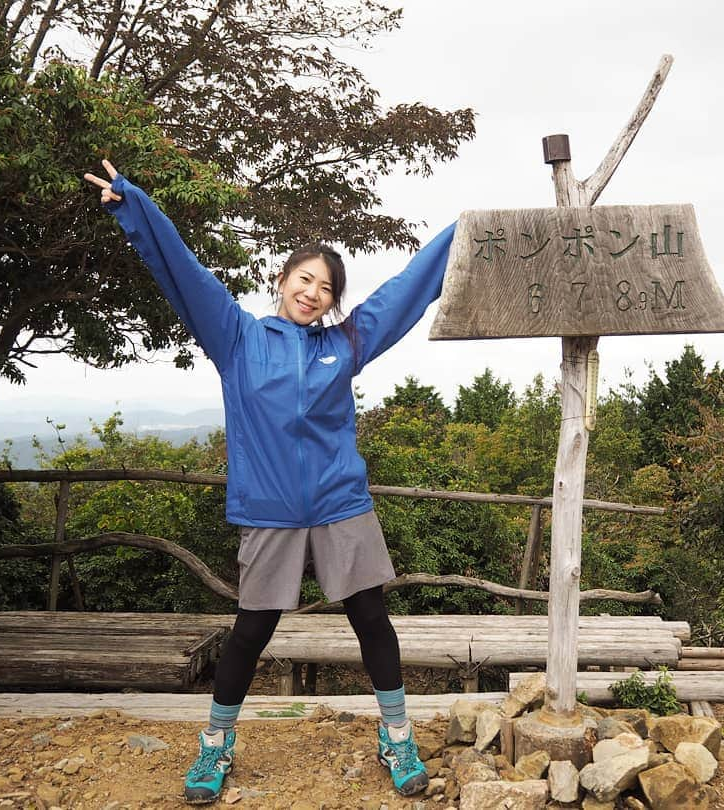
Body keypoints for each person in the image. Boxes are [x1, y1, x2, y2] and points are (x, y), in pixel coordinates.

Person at [84, 160, 455, 804]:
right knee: (253, 627)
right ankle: (216, 744)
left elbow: (407, 289)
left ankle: (396, 734)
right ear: (280, 280)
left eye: (325, 287)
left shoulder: (346, 344)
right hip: (270, 510)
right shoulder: (236, 338)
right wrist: (134, 205)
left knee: (371, 616)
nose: (312, 292)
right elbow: (184, 271)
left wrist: (467, 234)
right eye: (303, 279)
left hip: (342, 504)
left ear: (333, 301)